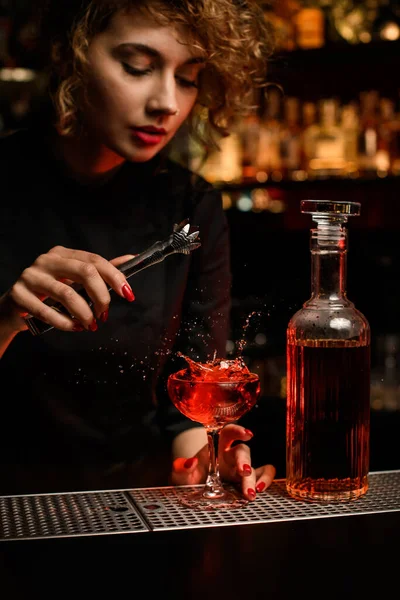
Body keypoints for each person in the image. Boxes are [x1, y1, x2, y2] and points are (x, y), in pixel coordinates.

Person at [0, 0, 276, 499]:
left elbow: (188, 405)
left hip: (138, 512)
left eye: (189, 77)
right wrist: (3, 320)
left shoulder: (190, 206)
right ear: (73, 56)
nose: (167, 102)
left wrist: (206, 458)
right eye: (138, 67)